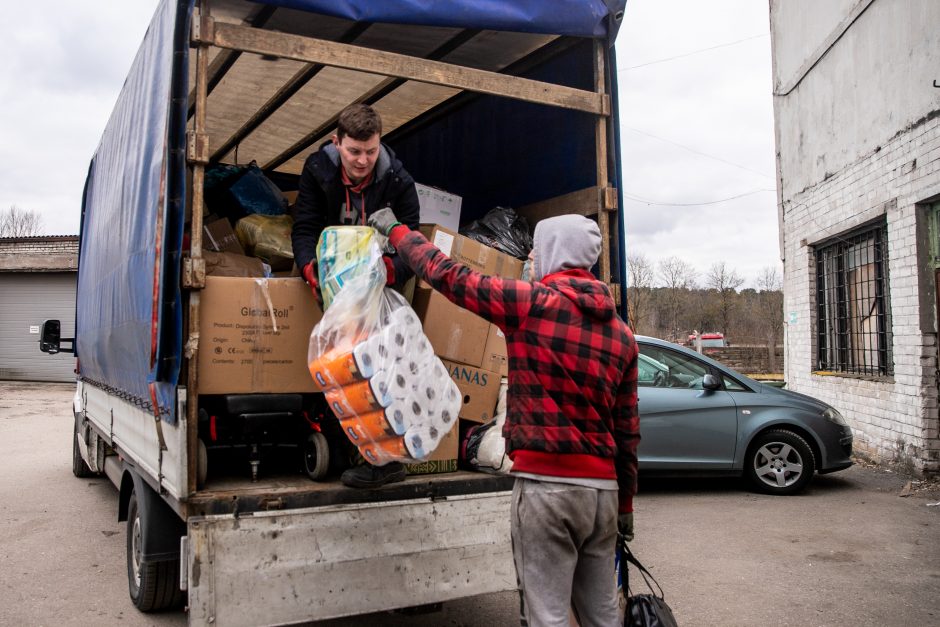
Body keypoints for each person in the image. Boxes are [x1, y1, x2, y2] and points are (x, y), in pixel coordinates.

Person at [369, 208, 640, 626]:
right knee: (602, 614)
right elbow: (628, 430)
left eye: (538, 249)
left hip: (547, 490)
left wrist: (397, 231)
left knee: (546, 614)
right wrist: (625, 505)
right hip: (601, 493)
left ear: (555, 253)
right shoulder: (621, 334)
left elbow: (449, 276)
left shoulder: (532, 304)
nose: (531, 256)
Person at [291, 103, 420, 489]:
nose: (363, 160)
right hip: (334, 288)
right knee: (339, 369)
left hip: (383, 286)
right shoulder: (317, 172)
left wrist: (388, 274)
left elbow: (412, 242)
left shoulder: (398, 180)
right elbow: (304, 229)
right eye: (354, 152)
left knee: (380, 368)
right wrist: (311, 271)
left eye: (371, 151)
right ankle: (348, 448)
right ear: (337, 143)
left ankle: (386, 462)